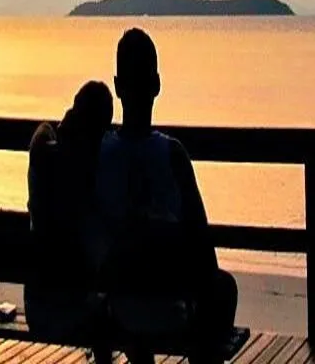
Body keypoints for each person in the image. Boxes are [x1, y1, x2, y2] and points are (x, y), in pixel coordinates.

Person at [93, 28, 238, 364]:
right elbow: (204, 251)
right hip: (174, 312)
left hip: (120, 308)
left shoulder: (100, 154)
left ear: (117, 87)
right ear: (156, 85)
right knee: (222, 287)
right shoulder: (173, 155)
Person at [25, 81, 113, 345]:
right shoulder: (91, 169)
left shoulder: (43, 152)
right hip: (76, 310)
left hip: (37, 308)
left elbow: (42, 133)